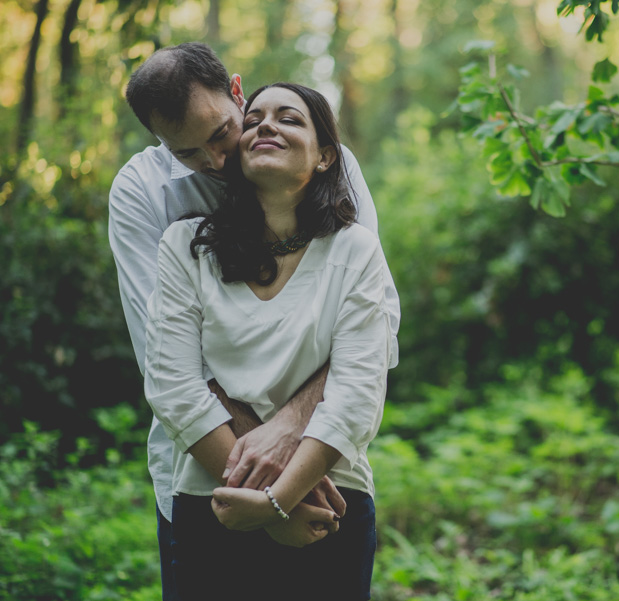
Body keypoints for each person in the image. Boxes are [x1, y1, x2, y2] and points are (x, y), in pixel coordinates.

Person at [108, 42, 400, 600]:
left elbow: (376, 331)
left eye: (221, 134)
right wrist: (272, 499)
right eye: (188, 152)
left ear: (235, 92)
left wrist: (291, 444)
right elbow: (168, 369)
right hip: (207, 472)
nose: (218, 162)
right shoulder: (149, 202)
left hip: (325, 481)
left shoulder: (339, 218)